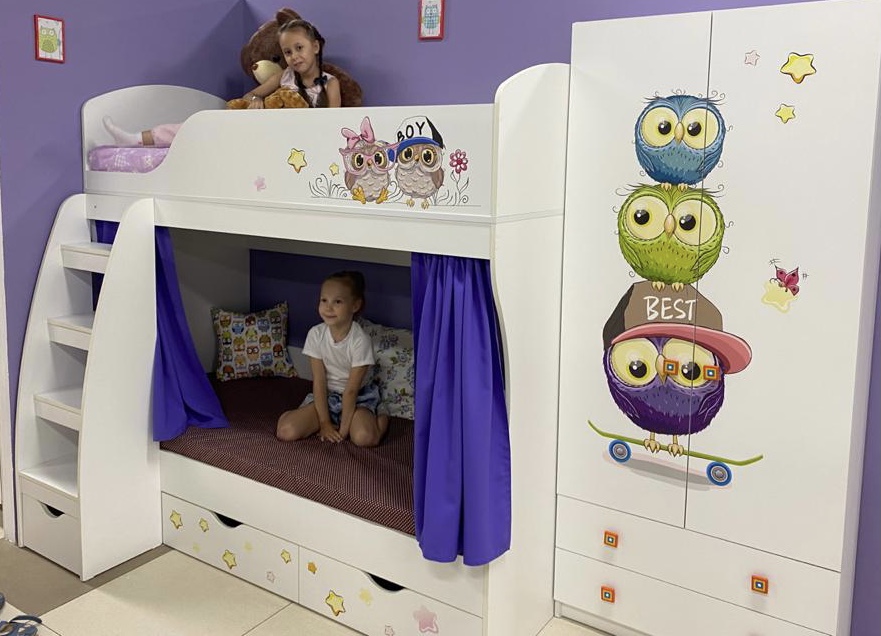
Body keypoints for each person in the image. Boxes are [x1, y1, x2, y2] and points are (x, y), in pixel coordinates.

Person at [102, 18, 341, 147]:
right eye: (288, 52)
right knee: (200, 125)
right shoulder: (284, 76)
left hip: (294, 142)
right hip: (264, 134)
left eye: (299, 48)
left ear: (315, 47)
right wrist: (257, 101)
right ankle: (138, 139)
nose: (294, 56)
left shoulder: (330, 84)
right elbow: (250, 96)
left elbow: (334, 125)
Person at [277, 271, 389, 446]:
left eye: (337, 302)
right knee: (286, 431)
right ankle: (305, 416)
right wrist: (325, 424)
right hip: (327, 396)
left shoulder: (360, 341)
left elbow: (351, 391)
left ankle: (381, 416)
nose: (328, 308)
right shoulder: (316, 334)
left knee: (365, 438)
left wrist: (342, 432)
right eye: (324, 300)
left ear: (355, 305)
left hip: (357, 398)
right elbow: (319, 381)